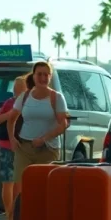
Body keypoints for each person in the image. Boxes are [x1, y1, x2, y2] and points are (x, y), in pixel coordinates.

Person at [9, 62, 70, 190]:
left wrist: (44, 139)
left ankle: (40, 210)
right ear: (34, 76)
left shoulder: (57, 97)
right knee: (19, 185)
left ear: (50, 76)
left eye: (46, 75)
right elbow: (11, 119)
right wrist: (12, 139)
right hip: (24, 147)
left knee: (42, 186)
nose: (43, 78)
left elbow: (63, 124)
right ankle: (18, 210)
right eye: (39, 74)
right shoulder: (24, 96)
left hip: (48, 149)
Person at [0, 73, 28, 220]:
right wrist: (10, 114)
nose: (16, 92)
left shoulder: (14, 103)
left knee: (11, 184)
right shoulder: (15, 104)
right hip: (12, 147)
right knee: (11, 184)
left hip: (16, 147)